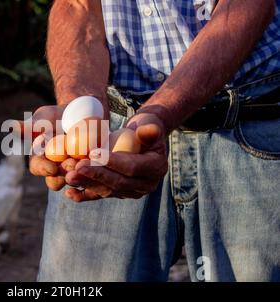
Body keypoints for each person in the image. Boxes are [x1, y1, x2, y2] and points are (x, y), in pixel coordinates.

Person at [29, 0, 280, 281]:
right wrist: (80, 110)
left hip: (248, 127)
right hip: (115, 123)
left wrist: (157, 115)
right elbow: (78, 7)